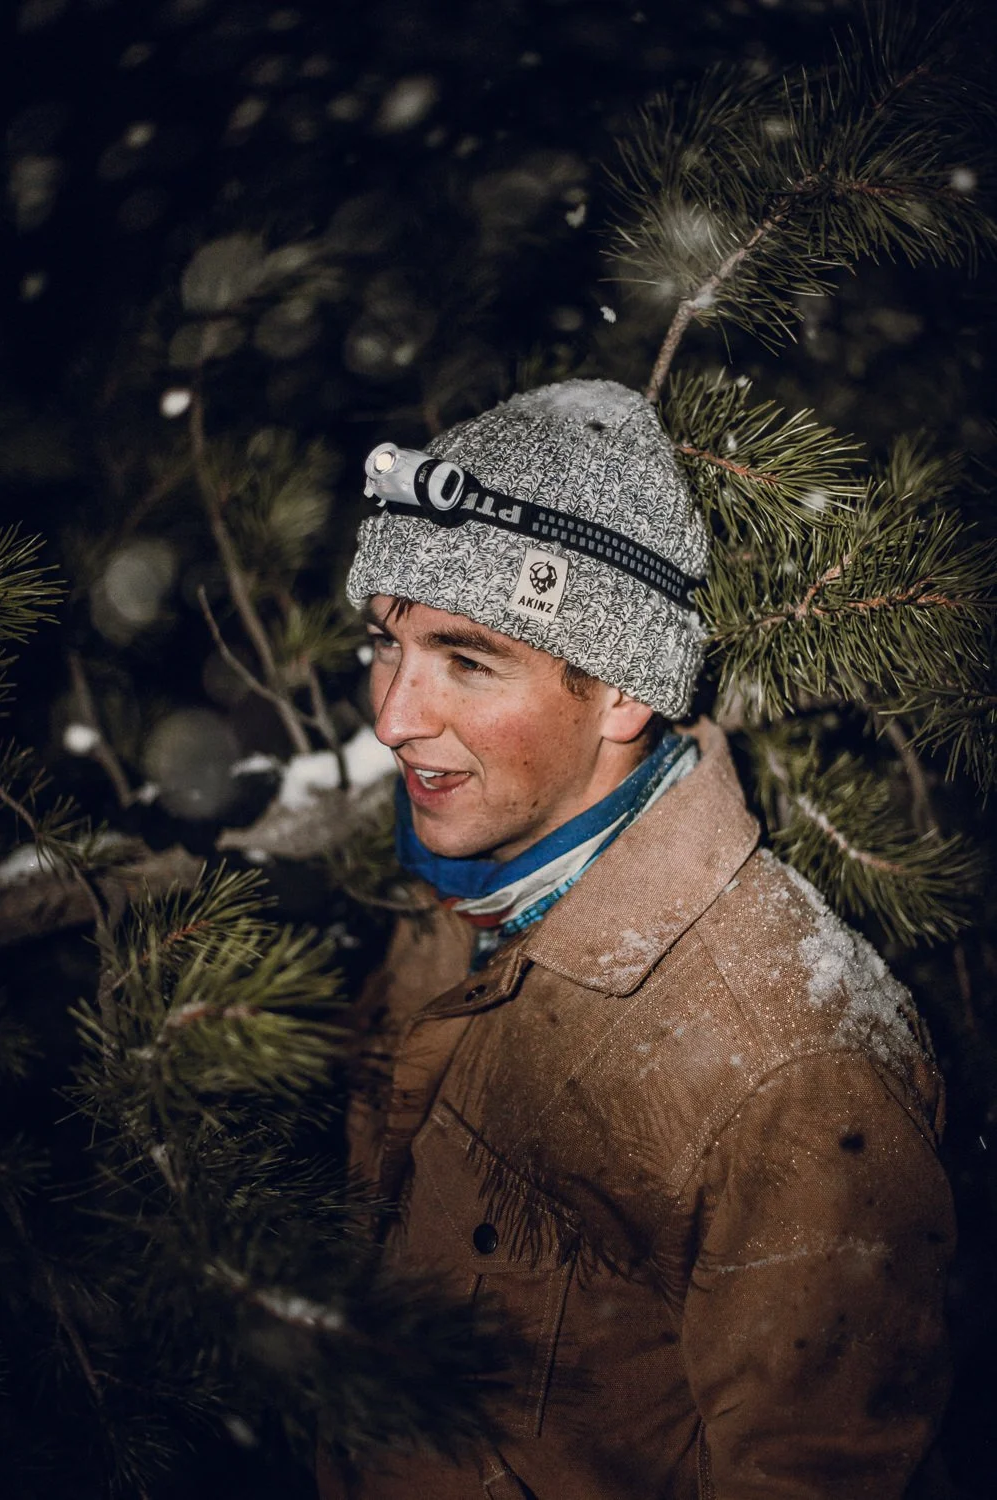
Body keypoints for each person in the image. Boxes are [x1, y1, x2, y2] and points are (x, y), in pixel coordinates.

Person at [320, 380, 954, 1500]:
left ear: (619, 692)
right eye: (387, 645)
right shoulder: (455, 897)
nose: (392, 716)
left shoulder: (790, 1065)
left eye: (466, 660)